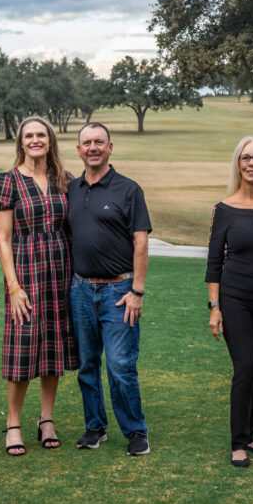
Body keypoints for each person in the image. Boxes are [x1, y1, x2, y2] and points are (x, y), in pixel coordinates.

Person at [0, 116, 78, 456]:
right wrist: (13, 287)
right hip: (25, 271)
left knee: (53, 347)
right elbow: (3, 239)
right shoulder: (6, 181)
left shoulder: (65, 180)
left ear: (50, 140)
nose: (36, 140)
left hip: (60, 271)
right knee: (23, 348)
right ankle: (13, 423)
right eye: (29, 135)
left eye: (41, 134)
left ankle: (46, 419)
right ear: (21, 142)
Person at [67, 122, 152, 456]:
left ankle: (135, 431)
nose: (93, 147)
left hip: (120, 291)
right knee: (87, 365)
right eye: (86, 142)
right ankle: (95, 427)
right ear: (78, 150)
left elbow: (141, 242)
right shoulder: (72, 189)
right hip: (81, 290)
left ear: (110, 147)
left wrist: (138, 290)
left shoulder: (128, 189)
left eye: (99, 142)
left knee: (120, 365)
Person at [206, 137, 253, 468]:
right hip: (234, 298)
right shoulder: (224, 210)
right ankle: (238, 443)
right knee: (246, 368)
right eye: (245, 158)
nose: (252, 163)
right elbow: (213, 263)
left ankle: (251, 434)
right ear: (238, 165)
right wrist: (215, 308)